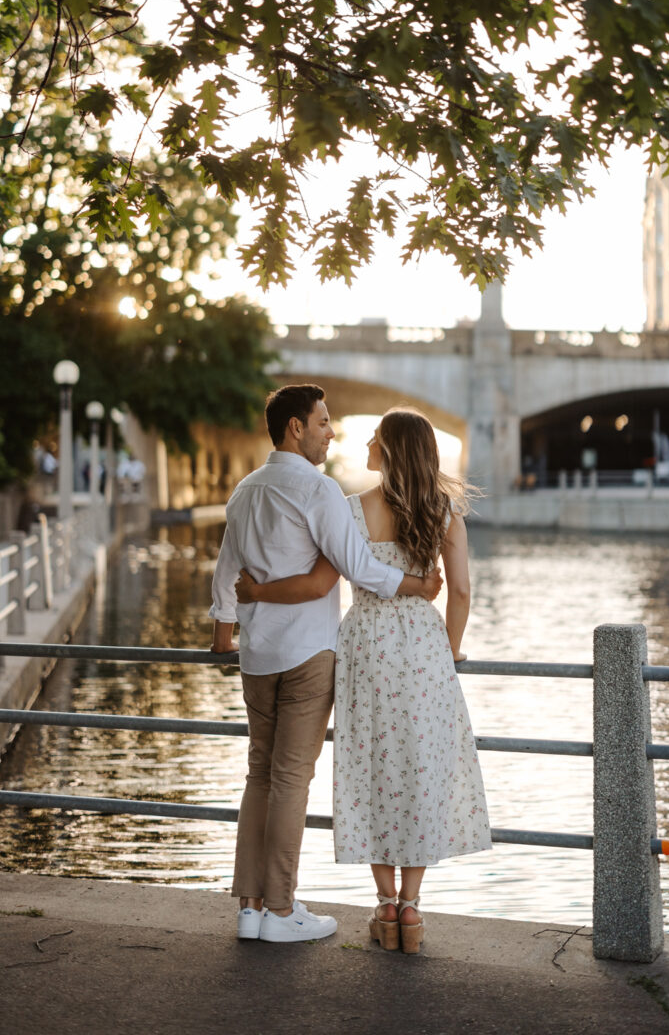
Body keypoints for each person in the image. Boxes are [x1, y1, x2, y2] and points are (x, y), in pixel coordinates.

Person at [236, 407, 491, 954]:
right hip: (424, 650)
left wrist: (255, 595)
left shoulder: (353, 511)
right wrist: (448, 650)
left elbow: (321, 581)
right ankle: (411, 907)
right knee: (421, 767)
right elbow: (462, 591)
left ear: (393, 451)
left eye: (375, 439)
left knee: (372, 766)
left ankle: (382, 903)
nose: (366, 444)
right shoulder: (445, 512)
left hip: (366, 649)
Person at [209, 385, 441, 945]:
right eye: (323, 422)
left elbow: (225, 568)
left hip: (258, 655)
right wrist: (418, 585)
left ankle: (250, 908)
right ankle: (282, 910)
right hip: (309, 653)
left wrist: (224, 635)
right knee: (290, 780)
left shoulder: (245, 490)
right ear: (295, 427)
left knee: (258, 775)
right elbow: (358, 566)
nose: (330, 431)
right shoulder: (319, 490)